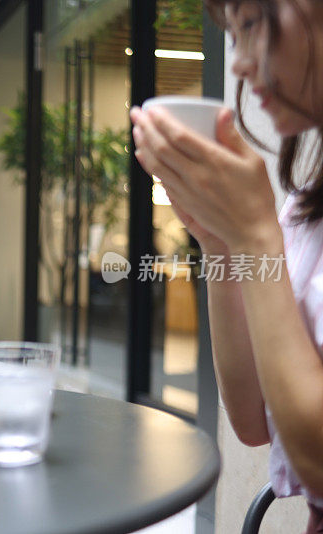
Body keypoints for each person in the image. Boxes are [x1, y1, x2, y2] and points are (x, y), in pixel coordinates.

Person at [130, 0, 323, 529]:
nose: (237, 63)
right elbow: (253, 417)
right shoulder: (306, 208)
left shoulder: (278, 220)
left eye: (251, 24)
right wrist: (218, 242)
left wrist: (255, 235)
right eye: (232, 35)